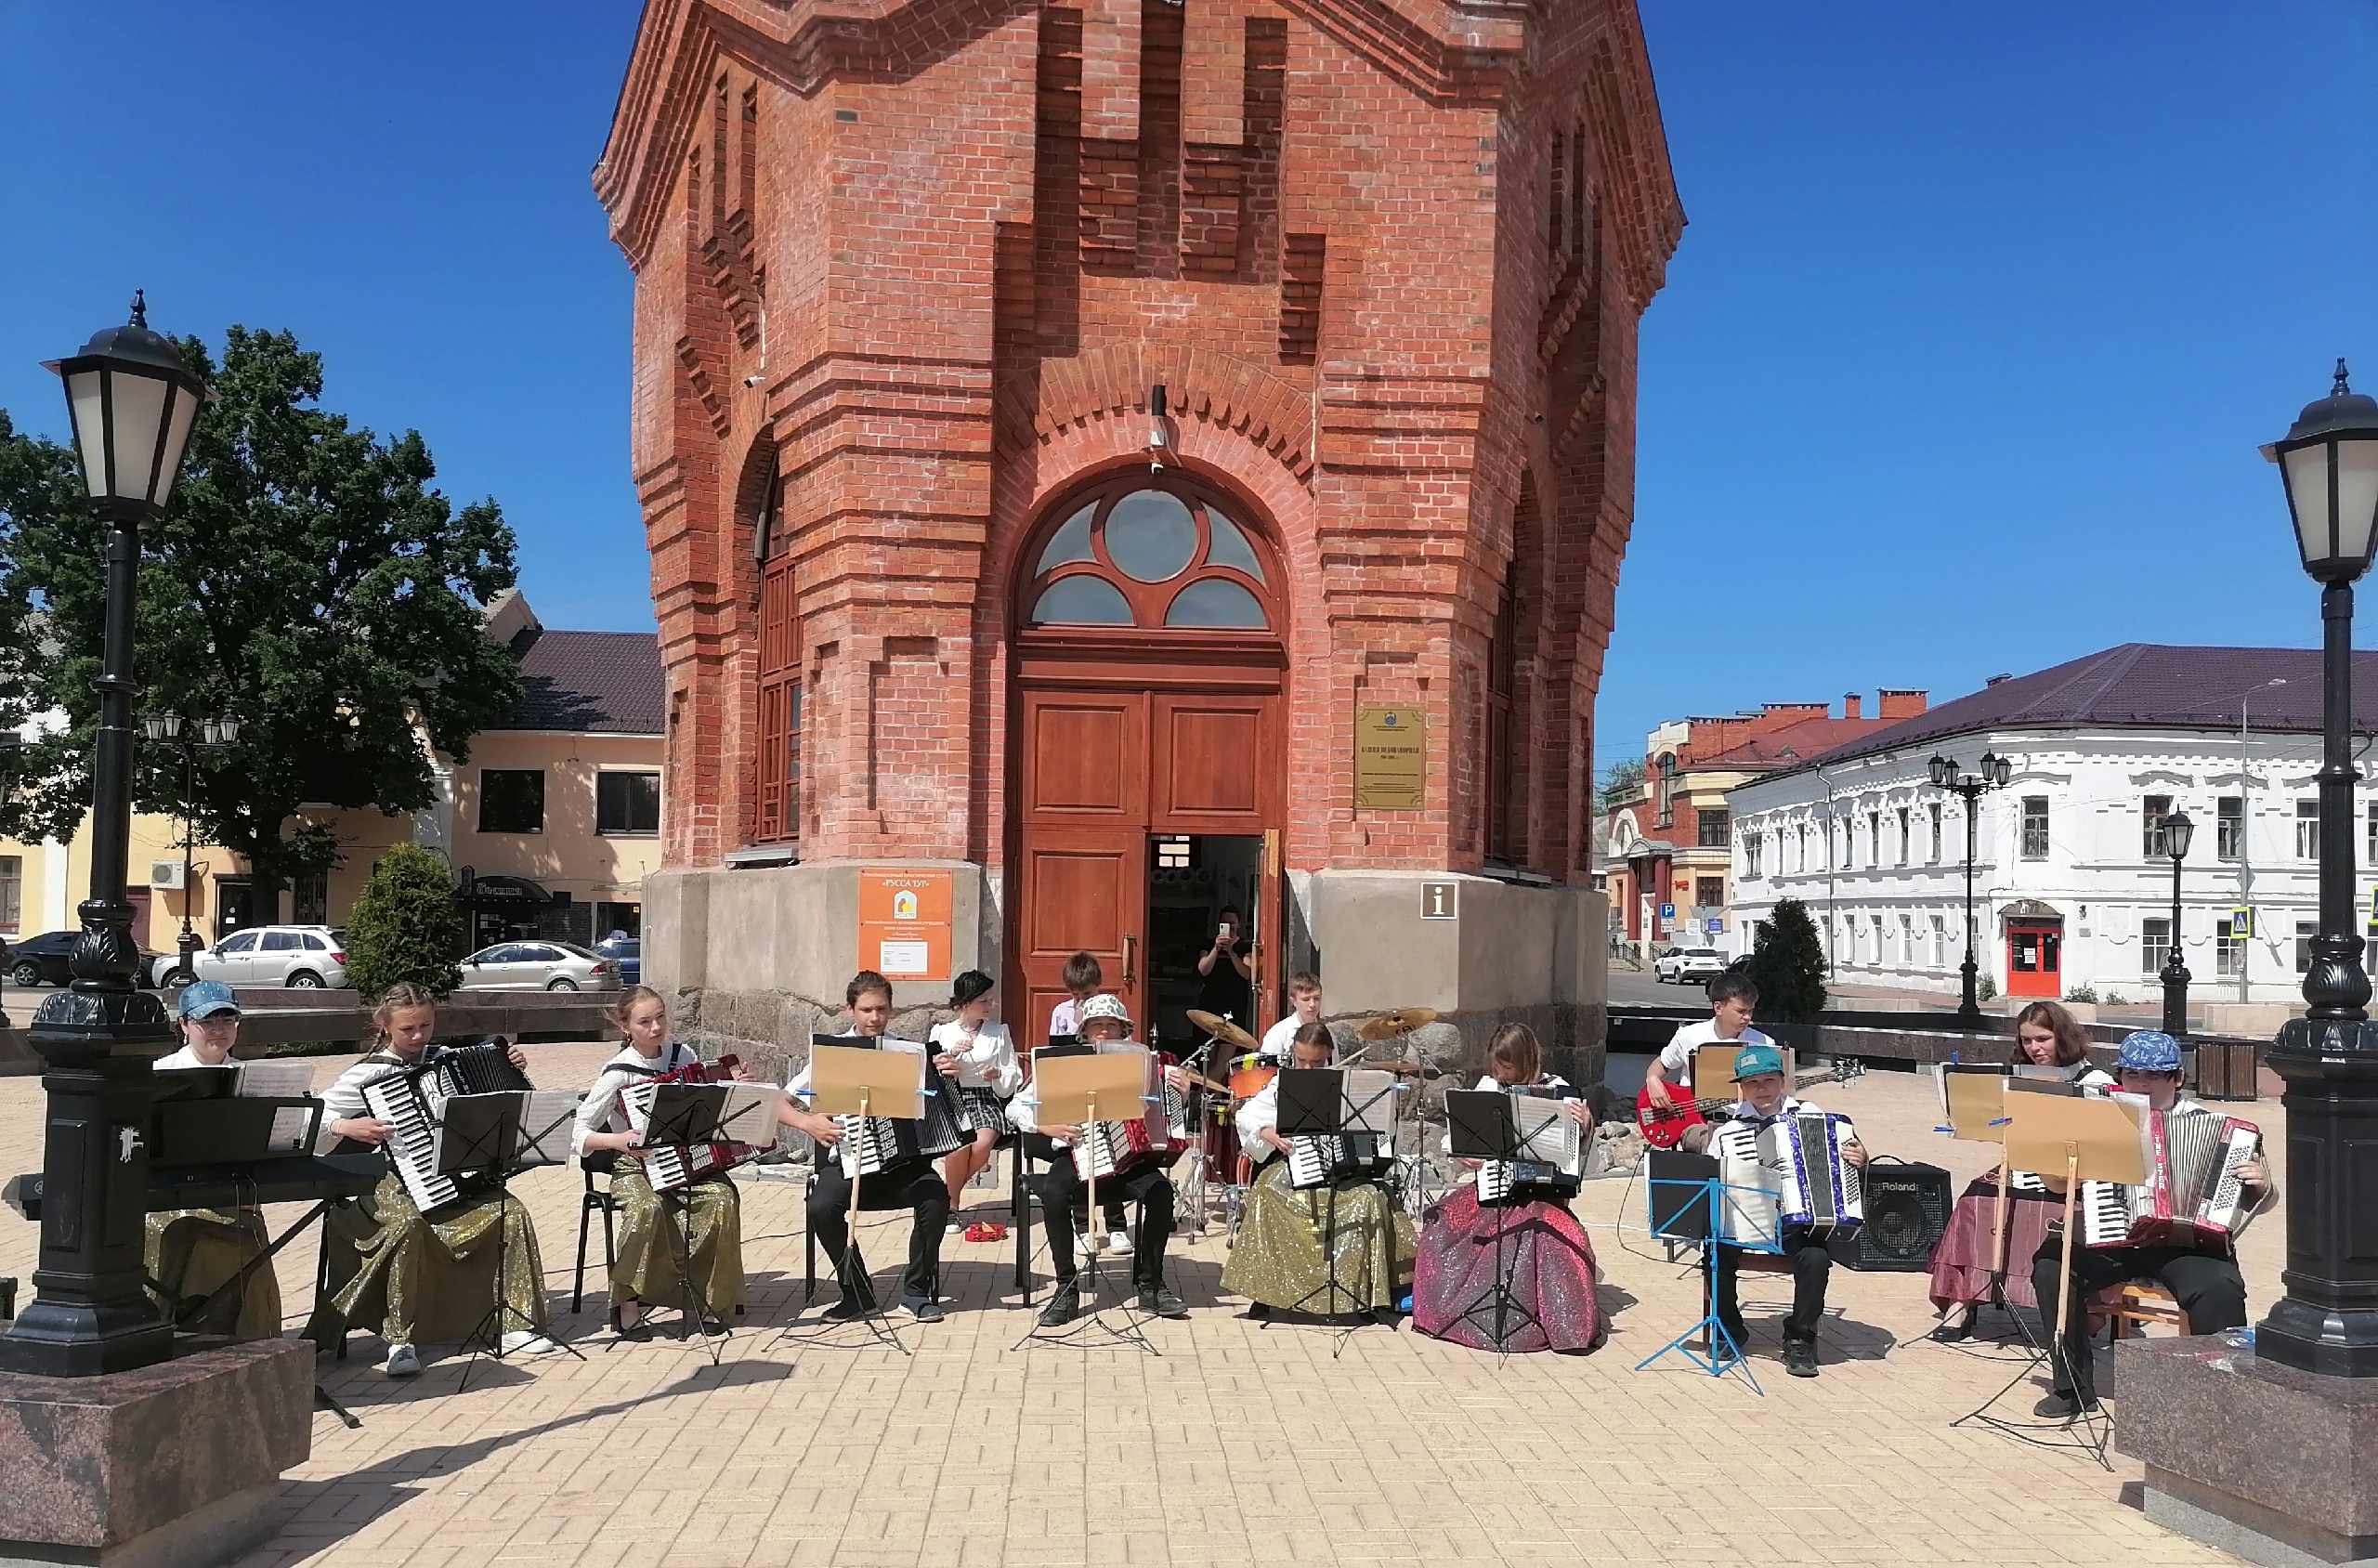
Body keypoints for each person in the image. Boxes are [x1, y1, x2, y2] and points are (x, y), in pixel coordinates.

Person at [2027, 1030, 2273, 1419]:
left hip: (2184, 1241)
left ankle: (2223, 1399)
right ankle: (2072, 1386)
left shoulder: (2223, 1130)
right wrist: (2056, 1156)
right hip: (2114, 1231)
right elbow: (2058, 1184)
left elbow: (2264, 1200)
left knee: (2218, 1289)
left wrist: (2263, 1184)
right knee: (2051, 1266)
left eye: (2154, 1076)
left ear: (2177, 1079)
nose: (2141, 1084)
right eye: (2132, 1075)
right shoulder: (2097, 1120)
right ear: (2119, 1076)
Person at [316, 983, 557, 1377]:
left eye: (425, 1026)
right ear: (385, 1027)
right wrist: (347, 1125)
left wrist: (512, 1065)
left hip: (451, 1178)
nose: (417, 1036)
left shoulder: (448, 1060)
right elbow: (314, 1115)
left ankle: (517, 1325)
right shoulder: (368, 1073)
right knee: (407, 1226)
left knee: (511, 1211)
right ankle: (398, 1340)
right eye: (407, 1029)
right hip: (386, 1181)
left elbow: (507, 1105)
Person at [1926, 1000, 2113, 1342]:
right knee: (1976, 1200)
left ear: (2062, 1036)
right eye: (2027, 1041)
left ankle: (2083, 1308)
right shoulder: (2018, 1077)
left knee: (2056, 1211)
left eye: (2042, 1039)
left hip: (2080, 1172)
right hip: (2028, 1162)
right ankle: (1963, 1300)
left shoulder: (2095, 1079)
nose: (2034, 1048)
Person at [1411, 1023, 1604, 1354]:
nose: (1500, 1074)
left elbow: (1581, 1157)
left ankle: (1551, 1321)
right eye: (1497, 1068)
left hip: (1543, 1197)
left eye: (1508, 1068)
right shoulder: (1489, 1087)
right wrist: (1464, 1153)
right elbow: (1456, 1134)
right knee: (1441, 1225)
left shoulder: (1559, 1091)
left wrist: (1585, 1124)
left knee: (1545, 1236)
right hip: (1493, 1192)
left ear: (1527, 1061)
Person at [573, 986, 748, 1339]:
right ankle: (628, 1305)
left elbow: (710, 1107)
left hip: (685, 1160)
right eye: (645, 1022)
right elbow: (578, 1131)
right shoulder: (618, 1073)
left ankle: (710, 1300)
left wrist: (737, 1088)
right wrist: (618, 1141)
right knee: (646, 1207)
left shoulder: (682, 1056)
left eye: (661, 1017)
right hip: (634, 1166)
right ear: (625, 1028)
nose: (656, 1027)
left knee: (722, 1197)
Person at [782, 971, 953, 1322]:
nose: (875, 1018)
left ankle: (916, 1292)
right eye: (866, 1010)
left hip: (901, 1163)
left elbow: (936, 1099)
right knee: (822, 1207)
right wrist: (808, 1122)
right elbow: (780, 1100)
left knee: (935, 1196)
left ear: (891, 1010)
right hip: (848, 1160)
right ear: (850, 1010)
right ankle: (857, 1293)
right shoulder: (831, 1054)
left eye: (882, 1010)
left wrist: (948, 1073)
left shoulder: (908, 1052)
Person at [1692, 1041, 1867, 1379]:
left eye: (1769, 1081)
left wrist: (1860, 1158)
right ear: (1742, 1088)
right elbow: (1710, 1180)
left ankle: (1799, 1337)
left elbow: (1848, 1154)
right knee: (1715, 1252)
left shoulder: (1810, 1114)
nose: (1762, 1089)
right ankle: (1730, 1327)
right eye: (1753, 1083)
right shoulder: (1728, 1131)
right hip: (1744, 1219)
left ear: (1782, 1080)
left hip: (1797, 1221)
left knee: (1816, 1259)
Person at [1015, 993, 1193, 1326]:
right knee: (1053, 1192)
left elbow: (1166, 1115)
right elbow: (1016, 1107)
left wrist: (1180, 1095)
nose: (1104, 1033)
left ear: (1124, 1031)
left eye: (1112, 1026)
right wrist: (1044, 1125)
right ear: (1084, 1032)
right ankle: (1066, 1287)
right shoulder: (1063, 1062)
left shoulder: (1143, 1064)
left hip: (1129, 1157)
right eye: (1097, 1026)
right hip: (1077, 1152)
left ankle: (1150, 1283)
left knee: (1161, 1192)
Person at [1221, 1022, 1414, 1321]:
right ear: (1293, 1055)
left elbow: (1379, 1131)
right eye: (1302, 1061)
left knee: (1372, 1199)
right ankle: (1266, 1291)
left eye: (1317, 1062)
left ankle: (1367, 1297)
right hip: (1293, 1164)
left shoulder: (1348, 1086)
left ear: (1329, 1057)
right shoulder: (1282, 1084)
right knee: (1266, 1192)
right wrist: (1268, 1132)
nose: (1308, 1069)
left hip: (1342, 1172)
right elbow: (1246, 1115)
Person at [144, 981, 281, 1339]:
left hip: (231, 1192)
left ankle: (251, 1341)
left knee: (247, 1243)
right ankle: (161, 1332)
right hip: (168, 1196)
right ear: (184, 1025)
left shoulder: (252, 1077)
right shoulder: (158, 1073)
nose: (218, 1030)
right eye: (207, 1021)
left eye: (227, 1019)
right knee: (170, 1234)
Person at [1044, 950, 1130, 1256]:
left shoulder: (1109, 1011)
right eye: (1076, 995)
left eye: (1088, 994)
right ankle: (1082, 1227)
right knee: (1081, 1156)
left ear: (1100, 986)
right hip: (1076, 1092)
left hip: (1108, 1094)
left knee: (1115, 1153)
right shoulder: (1060, 1013)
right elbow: (1055, 1056)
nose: (1081, 1001)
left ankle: (1117, 1226)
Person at [934, 969, 1021, 1222]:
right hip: (953, 1098)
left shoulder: (998, 1031)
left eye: (990, 1000)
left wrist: (996, 1075)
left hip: (986, 1098)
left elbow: (1012, 1071)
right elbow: (931, 1071)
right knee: (959, 1145)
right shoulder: (943, 1033)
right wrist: (950, 1056)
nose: (989, 1006)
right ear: (965, 1003)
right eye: (983, 1001)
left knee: (981, 1143)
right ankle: (953, 1206)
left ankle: (948, 1196)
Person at [1642, 973, 1770, 1113]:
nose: (1747, 1017)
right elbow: (1662, 1063)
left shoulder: (1764, 1043)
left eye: (1750, 1011)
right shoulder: (1689, 1035)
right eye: (1741, 1011)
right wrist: (1652, 1079)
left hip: (1745, 1121)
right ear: (1718, 1008)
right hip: (1693, 1121)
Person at [1194, 906, 1253, 1028]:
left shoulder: (1245, 946)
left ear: (1239, 924)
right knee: (1209, 1044)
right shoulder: (1208, 944)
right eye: (1224, 923)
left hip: (1234, 1001)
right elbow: (1203, 970)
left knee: (1229, 1042)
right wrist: (1216, 949)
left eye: (1231, 923)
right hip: (1210, 1000)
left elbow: (1247, 973)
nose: (1228, 926)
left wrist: (1231, 953)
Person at [1258, 973, 1324, 1062]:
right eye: (1306, 999)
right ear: (1293, 1001)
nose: (1312, 1004)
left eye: (1316, 998)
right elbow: (1267, 1070)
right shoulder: (1278, 1034)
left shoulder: (1326, 1034)